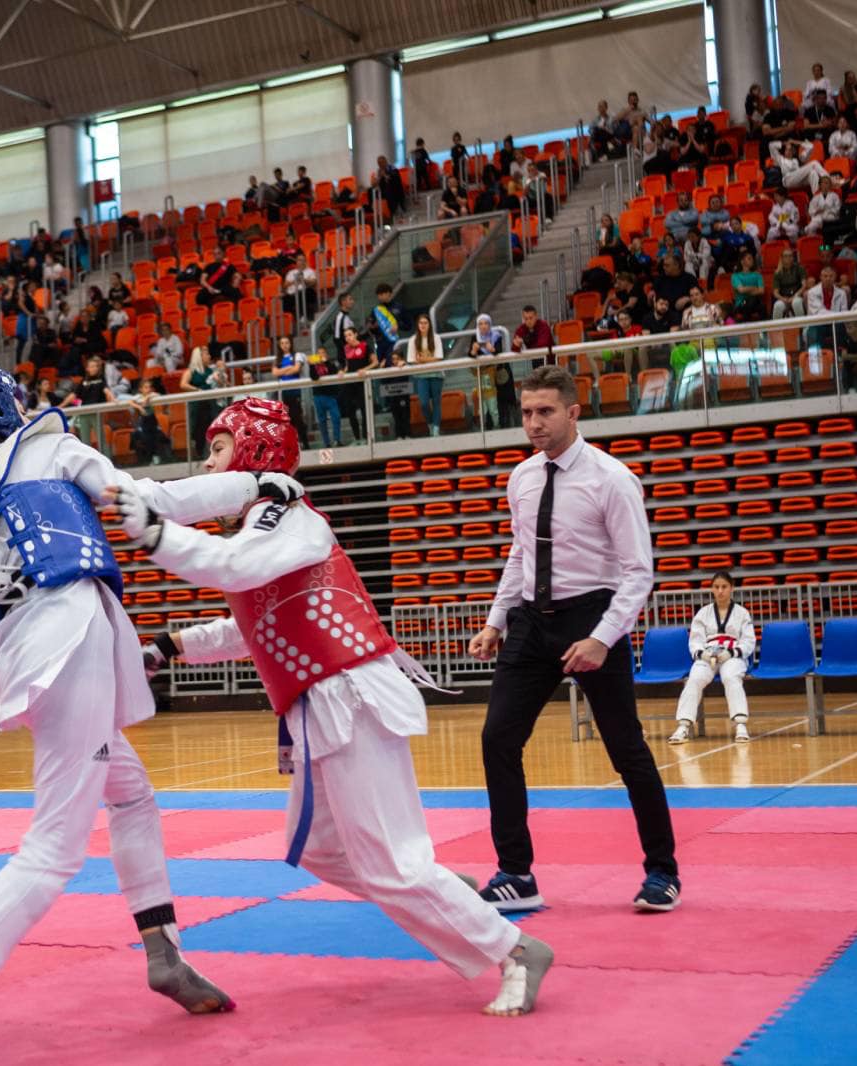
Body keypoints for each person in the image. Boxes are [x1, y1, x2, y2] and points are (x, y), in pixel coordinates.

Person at [0, 362, 300, 1065]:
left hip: (28, 656)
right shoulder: (49, 447)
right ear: (6, 405)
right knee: (53, 847)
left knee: (133, 796)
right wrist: (254, 484)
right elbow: (152, 500)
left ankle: (164, 954)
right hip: (68, 638)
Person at [117, 398, 555, 1018]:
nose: (208, 463)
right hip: (323, 705)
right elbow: (257, 624)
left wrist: (156, 531)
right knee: (324, 849)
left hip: (348, 695)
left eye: (218, 448)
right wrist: (171, 645)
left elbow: (233, 569)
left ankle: (515, 950)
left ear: (254, 450)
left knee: (389, 864)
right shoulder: (263, 530)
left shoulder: (288, 515)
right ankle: (437, 890)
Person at [467, 365, 679, 914]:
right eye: (527, 412)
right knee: (497, 739)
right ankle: (516, 873)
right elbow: (521, 553)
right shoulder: (522, 477)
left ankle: (663, 871)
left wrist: (603, 638)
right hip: (530, 621)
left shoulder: (612, 479)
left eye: (545, 411)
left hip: (591, 618)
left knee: (626, 750)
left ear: (573, 412)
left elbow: (638, 572)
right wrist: (496, 621)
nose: (534, 423)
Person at [668, 572, 757, 745]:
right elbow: (695, 641)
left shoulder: (742, 613)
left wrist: (732, 653)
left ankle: (740, 725)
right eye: (716, 587)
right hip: (708, 655)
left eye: (724, 587)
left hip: (732, 656)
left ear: (731, 588)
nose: (720, 591)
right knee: (695, 679)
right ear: (712, 589)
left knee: (731, 676)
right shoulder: (703, 613)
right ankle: (683, 726)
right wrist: (702, 654)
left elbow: (748, 641)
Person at [407, 312, 445, 436]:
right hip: (421, 375)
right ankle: (430, 424)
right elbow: (411, 360)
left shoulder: (436, 338)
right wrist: (427, 360)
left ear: (429, 325)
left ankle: (436, 429)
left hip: (436, 374)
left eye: (425, 323)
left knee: (436, 402)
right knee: (423, 403)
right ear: (417, 325)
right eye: (420, 323)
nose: (423, 325)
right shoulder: (412, 340)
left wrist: (423, 360)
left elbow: (439, 357)